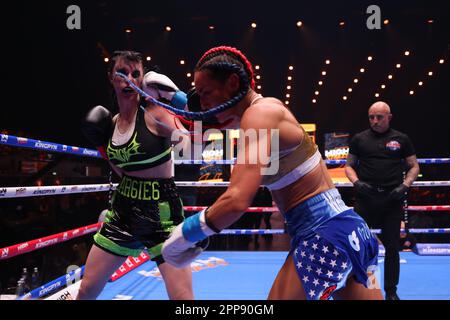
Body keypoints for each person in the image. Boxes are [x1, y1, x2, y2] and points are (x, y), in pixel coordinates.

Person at [161, 46, 383, 300]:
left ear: (232, 83)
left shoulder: (258, 116)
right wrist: (176, 100)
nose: (203, 102)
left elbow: (236, 201)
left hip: (323, 235)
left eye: (206, 92)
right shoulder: (264, 111)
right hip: (351, 229)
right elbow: (208, 120)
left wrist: (184, 234)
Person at [78, 50, 193, 300]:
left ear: (142, 80)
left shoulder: (155, 114)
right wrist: (100, 145)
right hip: (124, 211)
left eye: (135, 73)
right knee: (87, 289)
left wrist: (178, 100)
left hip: (161, 212)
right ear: (112, 78)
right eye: (122, 72)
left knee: (182, 297)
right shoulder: (110, 125)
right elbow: (121, 170)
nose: (129, 77)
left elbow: (193, 146)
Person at [345, 101, 420, 300]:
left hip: (391, 199)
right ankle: (358, 288)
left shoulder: (401, 139)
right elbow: (349, 166)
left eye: (379, 117)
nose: (375, 121)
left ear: (389, 117)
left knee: (393, 247)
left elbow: (414, 166)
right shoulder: (359, 139)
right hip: (366, 198)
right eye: (371, 117)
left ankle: (391, 291)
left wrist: (405, 186)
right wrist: (357, 182)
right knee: (358, 245)